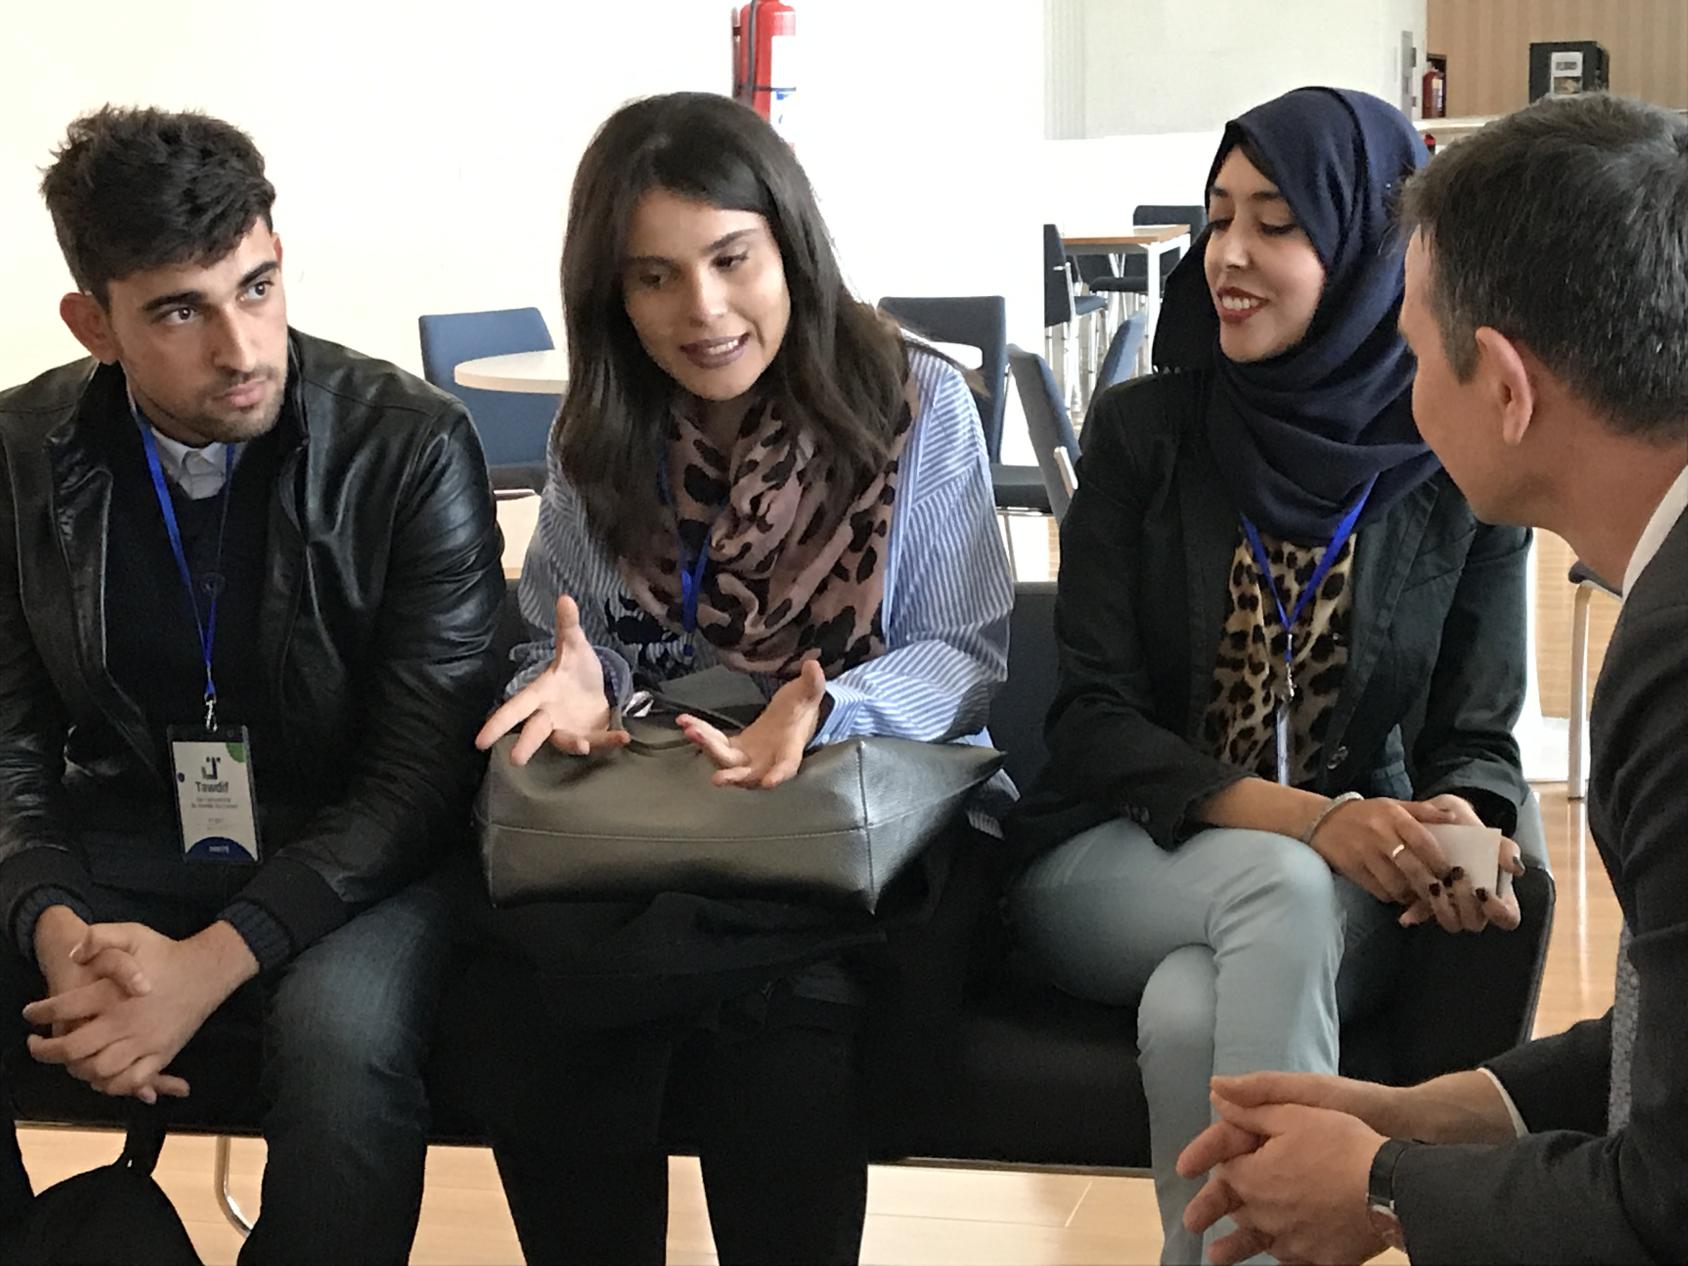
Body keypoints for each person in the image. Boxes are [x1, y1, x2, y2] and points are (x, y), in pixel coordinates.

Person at [449, 91, 1012, 1265]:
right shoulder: (597, 433)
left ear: (788, 247)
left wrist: (826, 710)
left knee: (781, 1040)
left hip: (845, 827)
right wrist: (569, 680)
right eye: (653, 278)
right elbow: (564, 641)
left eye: (729, 259)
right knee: (536, 1018)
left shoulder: (915, 403)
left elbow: (960, 655)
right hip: (647, 817)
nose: (700, 311)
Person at [1006, 87, 1532, 1265]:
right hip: (1111, 859)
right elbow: (1089, 721)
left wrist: (1470, 823)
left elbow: (1477, 733)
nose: (1227, 256)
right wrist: (1314, 821)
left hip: (1333, 897)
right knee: (1274, 891)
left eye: (1276, 223)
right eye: (1216, 216)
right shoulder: (1144, 432)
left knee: (1199, 1002)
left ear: (1367, 245)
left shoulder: (1446, 459)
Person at [1177, 91, 1688, 1266]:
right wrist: (1424, 1117)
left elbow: (1664, 1199)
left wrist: (1389, 1188)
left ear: (1503, 388)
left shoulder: (1669, 656)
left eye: (1408, 352)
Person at [0, 107, 504, 1264]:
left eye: (259, 285)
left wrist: (203, 969)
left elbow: (420, 773)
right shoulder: (19, 452)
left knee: (340, 1039)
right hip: (132, 824)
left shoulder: (409, 444)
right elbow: (9, 741)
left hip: (361, 850)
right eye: (182, 309)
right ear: (96, 323)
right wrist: (55, 921)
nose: (242, 346)